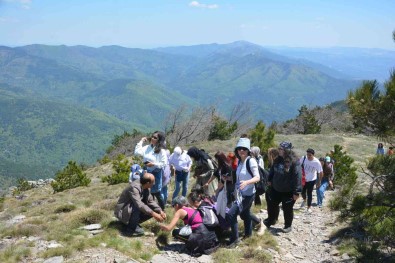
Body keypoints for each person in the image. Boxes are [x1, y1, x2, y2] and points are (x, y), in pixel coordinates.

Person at [226, 137, 260, 247]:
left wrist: (247, 182)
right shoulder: (240, 162)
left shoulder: (251, 161)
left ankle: (235, 239)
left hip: (248, 194)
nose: (241, 151)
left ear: (248, 150)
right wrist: (229, 179)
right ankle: (248, 234)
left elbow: (257, 177)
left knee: (231, 214)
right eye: (239, 149)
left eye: (244, 149)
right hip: (241, 193)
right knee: (245, 214)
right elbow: (240, 177)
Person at [264, 141, 301, 233]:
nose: (279, 150)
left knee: (287, 208)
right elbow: (272, 170)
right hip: (276, 188)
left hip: (288, 190)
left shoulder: (294, 161)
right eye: (279, 148)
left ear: (287, 150)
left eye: (281, 149)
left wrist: (297, 191)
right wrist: (269, 179)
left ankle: (288, 225)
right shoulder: (278, 159)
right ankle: (271, 220)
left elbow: (297, 176)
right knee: (272, 204)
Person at [134, 131, 168, 210]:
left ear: (159, 140)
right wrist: (141, 141)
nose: (152, 138)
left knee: (156, 192)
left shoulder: (161, 151)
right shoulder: (147, 148)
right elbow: (137, 152)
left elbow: (164, 163)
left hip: (156, 173)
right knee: (146, 191)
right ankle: (151, 210)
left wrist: (153, 164)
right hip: (146, 171)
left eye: (155, 138)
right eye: (152, 136)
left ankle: (162, 210)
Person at [300, 148, 323, 213]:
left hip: (312, 179)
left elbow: (320, 172)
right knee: (302, 192)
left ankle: (309, 207)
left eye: (310, 155)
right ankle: (304, 200)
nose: (308, 156)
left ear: (313, 155)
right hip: (303, 179)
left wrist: (319, 181)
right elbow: (298, 166)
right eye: (307, 155)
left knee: (309, 193)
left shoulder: (316, 162)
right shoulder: (303, 158)